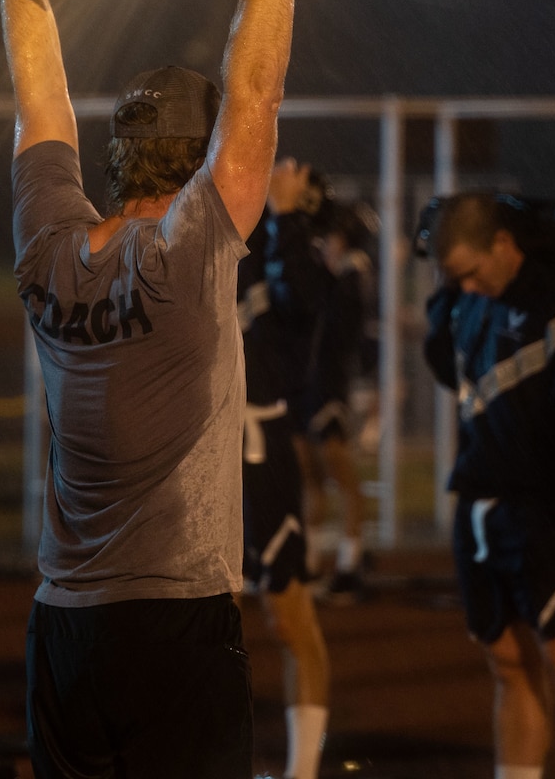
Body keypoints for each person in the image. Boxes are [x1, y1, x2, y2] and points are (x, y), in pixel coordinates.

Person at [0, 0, 303, 777]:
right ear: (197, 158)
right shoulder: (191, 246)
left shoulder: (47, 245)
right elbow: (257, 84)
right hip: (174, 623)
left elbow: (38, 100)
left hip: (63, 627)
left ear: (123, 152)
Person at [423, 192, 555, 779]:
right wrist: (446, 291)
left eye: (468, 272)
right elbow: (442, 361)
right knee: (507, 664)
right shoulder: (468, 301)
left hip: (552, 507)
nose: (463, 287)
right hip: (482, 504)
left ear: (505, 246)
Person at [239, 160, 332, 779]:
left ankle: (301, 771)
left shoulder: (292, 260)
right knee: (187, 613)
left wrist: (289, 216)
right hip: (197, 445)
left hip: (260, 445)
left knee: (288, 611)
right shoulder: (209, 235)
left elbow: (308, 296)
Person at [296, 197, 376, 600]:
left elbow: (336, 326)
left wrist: (324, 271)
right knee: (310, 479)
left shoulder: (352, 273)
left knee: (343, 476)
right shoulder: (329, 273)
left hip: (331, 387)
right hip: (307, 386)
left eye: (333, 236)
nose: (326, 242)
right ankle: (310, 562)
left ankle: (350, 563)